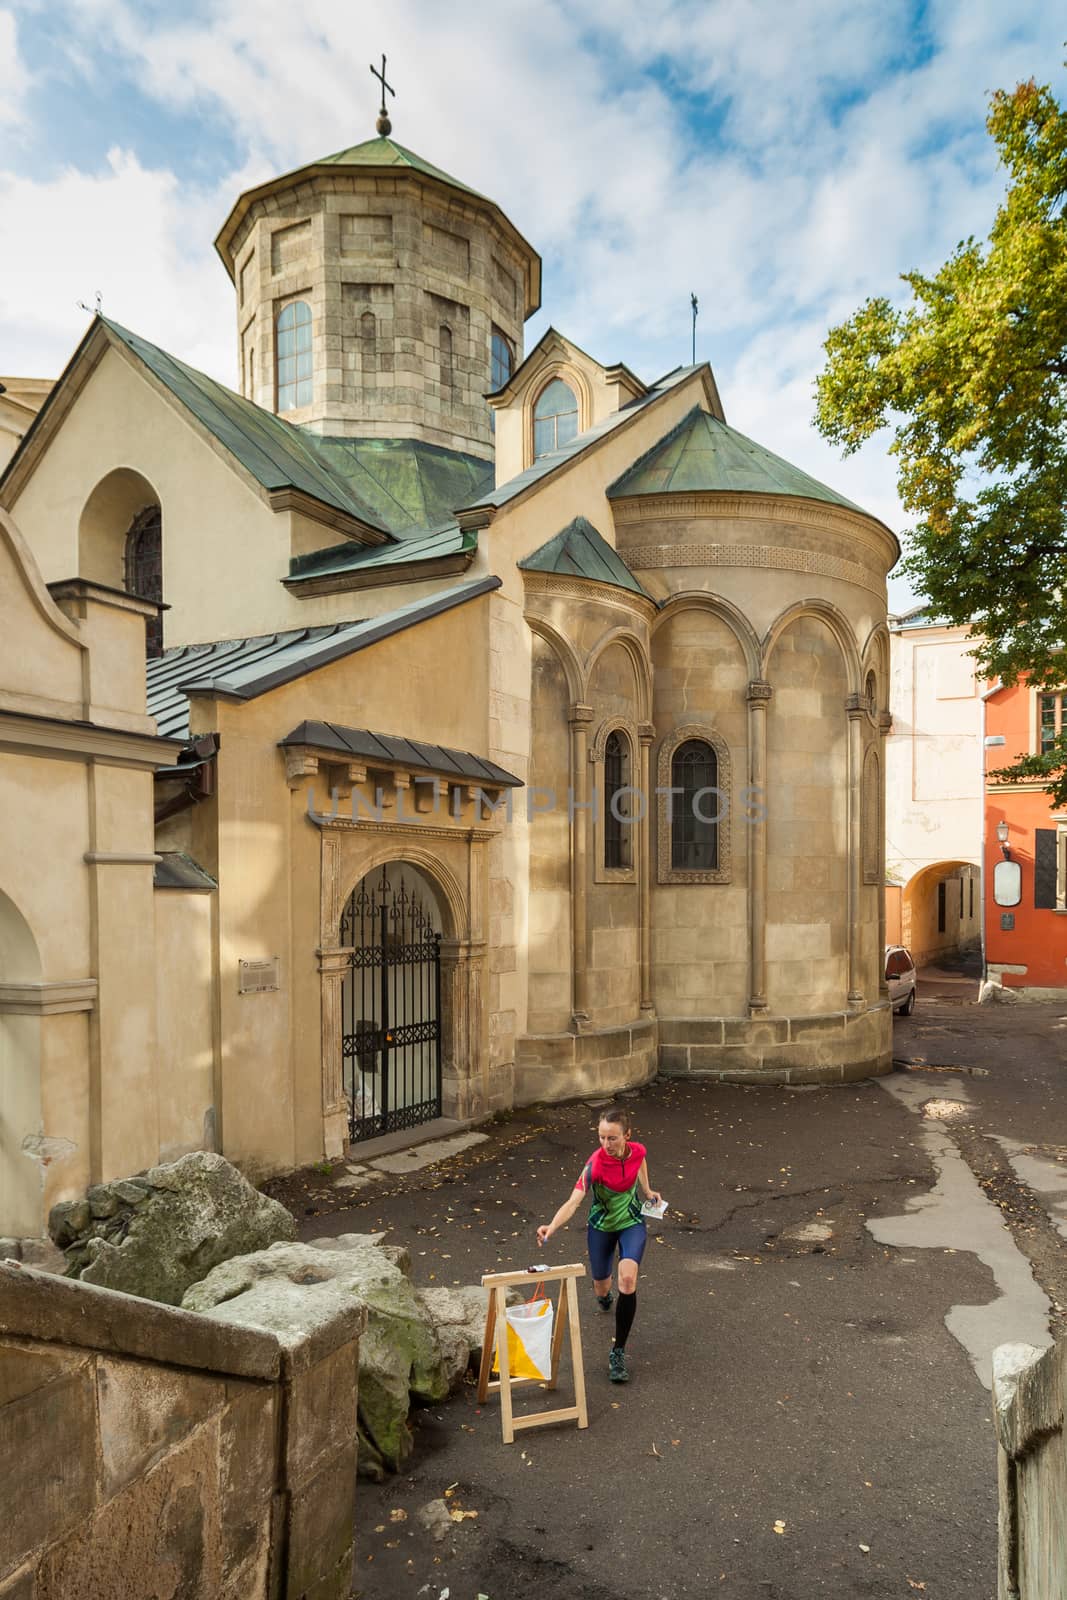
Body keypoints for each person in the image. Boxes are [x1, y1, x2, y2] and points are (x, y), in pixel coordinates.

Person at [536, 1106, 661, 1384]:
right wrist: (552, 1227)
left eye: (612, 1138)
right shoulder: (595, 1164)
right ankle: (605, 1297)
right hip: (601, 1228)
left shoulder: (637, 1150)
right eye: (602, 1138)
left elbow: (640, 1161)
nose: (606, 1144)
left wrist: (648, 1190)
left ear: (627, 1135)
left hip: (631, 1222)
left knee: (627, 1280)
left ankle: (618, 1352)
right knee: (602, 1286)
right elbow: (573, 1202)